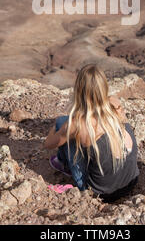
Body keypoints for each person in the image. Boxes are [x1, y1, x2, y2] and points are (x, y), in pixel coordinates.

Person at [43, 64, 139, 201]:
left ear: (79, 90)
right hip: (130, 183)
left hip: (101, 194)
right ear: (104, 87)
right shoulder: (115, 105)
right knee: (96, 144)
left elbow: (47, 144)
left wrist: (56, 127)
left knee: (61, 123)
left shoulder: (77, 123)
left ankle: (62, 163)